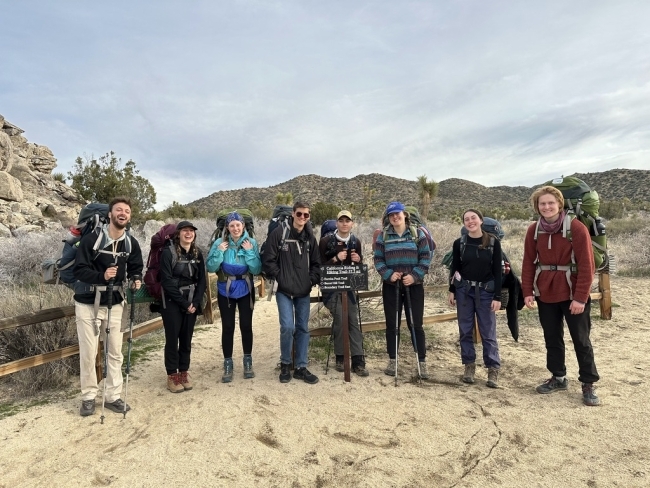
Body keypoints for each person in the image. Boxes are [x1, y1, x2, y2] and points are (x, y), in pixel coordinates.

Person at [521, 186, 600, 406]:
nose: (546, 207)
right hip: (546, 292)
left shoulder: (576, 228)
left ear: (560, 203)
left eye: (550, 203)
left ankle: (588, 382)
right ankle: (558, 377)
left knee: (581, 340)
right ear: (537, 207)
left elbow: (587, 265)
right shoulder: (533, 230)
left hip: (573, 292)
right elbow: (528, 262)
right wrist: (527, 291)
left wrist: (581, 298)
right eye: (542, 204)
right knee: (552, 338)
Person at [73, 197, 143, 417]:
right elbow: (79, 270)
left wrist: (136, 279)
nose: (123, 213)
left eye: (127, 211)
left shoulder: (130, 243)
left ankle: (112, 396)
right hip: (87, 303)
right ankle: (88, 397)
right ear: (110, 214)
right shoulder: (92, 239)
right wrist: (101, 276)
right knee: (89, 352)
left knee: (114, 352)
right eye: (119, 210)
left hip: (115, 302)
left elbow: (136, 267)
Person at [262, 201, 321, 384]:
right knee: (287, 327)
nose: (302, 218)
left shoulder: (310, 237)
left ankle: (301, 367)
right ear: (293, 214)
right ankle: (286, 364)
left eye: (306, 215)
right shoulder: (279, 233)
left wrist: (311, 280)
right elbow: (268, 259)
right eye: (299, 214)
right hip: (284, 291)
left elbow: (317, 263)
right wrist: (280, 277)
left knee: (303, 328)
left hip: (303, 290)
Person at [373, 201, 431, 379]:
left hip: (414, 286)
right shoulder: (383, 236)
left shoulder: (417, 234)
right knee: (392, 324)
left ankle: (421, 361)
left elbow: (425, 257)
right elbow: (378, 259)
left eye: (397, 214)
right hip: (392, 286)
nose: (395, 217)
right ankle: (393, 359)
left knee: (416, 324)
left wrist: (414, 275)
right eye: (391, 215)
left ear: (404, 214)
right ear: (388, 218)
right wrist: (388, 274)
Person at [448, 209, 502, 388]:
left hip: (486, 292)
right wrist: (452, 290)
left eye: (473, 218)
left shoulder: (493, 243)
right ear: (464, 223)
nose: (470, 221)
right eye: (466, 219)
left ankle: (492, 368)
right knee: (465, 330)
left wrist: (497, 296)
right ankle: (469, 365)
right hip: (464, 291)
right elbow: (455, 268)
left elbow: (497, 272)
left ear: (480, 220)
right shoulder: (460, 243)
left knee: (488, 332)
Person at [206, 212, 262, 383]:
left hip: (246, 288)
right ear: (227, 228)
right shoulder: (219, 243)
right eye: (232, 225)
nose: (235, 228)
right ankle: (228, 363)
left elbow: (256, 269)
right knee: (228, 327)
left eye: (238, 225)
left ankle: (248, 361)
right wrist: (219, 253)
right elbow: (210, 267)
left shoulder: (251, 243)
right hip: (226, 290)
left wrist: (250, 253)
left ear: (243, 226)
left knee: (246, 325)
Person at [318, 210, 368, 376]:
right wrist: (336, 259)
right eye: (341, 220)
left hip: (350, 288)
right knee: (340, 318)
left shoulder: (356, 242)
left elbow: (358, 268)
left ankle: (358, 360)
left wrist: (358, 261)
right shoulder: (326, 241)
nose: (344, 223)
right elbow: (320, 267)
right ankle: (340, 356)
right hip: (331, 290)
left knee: (353, 319)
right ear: (337, 223)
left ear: (352, 223)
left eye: (348, 220)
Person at [160, 221, 207, 393]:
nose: (189, 234)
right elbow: (166, 281)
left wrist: (195, 302)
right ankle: (172, 375)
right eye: (185, 231)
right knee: (173, 339)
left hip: (191, 301)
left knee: (186, 339)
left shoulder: (197, 253)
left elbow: (202, 280)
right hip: (172, 302)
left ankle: (184, 372)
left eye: (191, 231)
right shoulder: (168, 253)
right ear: (178, 233)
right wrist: (185, 303)